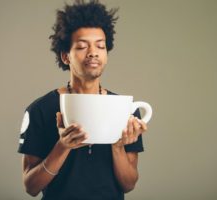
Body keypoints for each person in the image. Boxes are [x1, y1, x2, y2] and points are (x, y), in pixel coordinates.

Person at [17, 0, 148, 199]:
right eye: (81, 46)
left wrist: (118, 145)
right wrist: (62, 146)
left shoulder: (125, 110)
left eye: (100, 46)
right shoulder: (39, 110)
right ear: (65, 56)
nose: (93, 52)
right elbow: (31, 187)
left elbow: (129, 184)